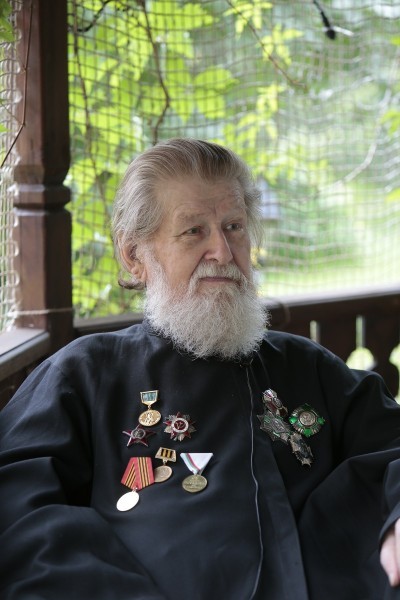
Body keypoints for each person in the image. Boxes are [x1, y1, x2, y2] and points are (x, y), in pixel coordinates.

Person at [0, 138, 400, 600]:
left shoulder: (307, 366)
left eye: (234, 227)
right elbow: (18, 514)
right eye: (194, 231)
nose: (223, 252)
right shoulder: (84, 373)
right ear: (135, 256)